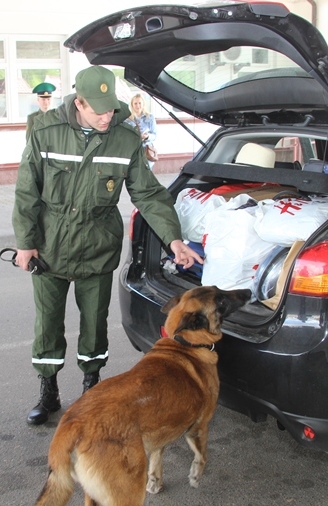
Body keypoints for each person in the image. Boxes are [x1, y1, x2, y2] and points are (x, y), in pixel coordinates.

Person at [12, 65, 203, 425]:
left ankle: (91, 388)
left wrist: (173, 238)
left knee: (95, 324)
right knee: (48, 323)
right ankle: (48, 391)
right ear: (79, 103)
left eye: (110, 109)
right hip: (49, 247)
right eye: (98, 110)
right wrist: (25, 243)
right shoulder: (45, 131)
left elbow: (147, 194)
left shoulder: (125, 138)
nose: (106, 117)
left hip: (97, 247)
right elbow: (27, 191)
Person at [125, 93, 158, 169]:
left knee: (147, 174)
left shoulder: (150, 117)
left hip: (146, 151)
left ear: (143, 104)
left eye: (140, 103)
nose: (138, 105)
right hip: (133, 151)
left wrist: (147, 136)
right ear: (132, 105)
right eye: (135, 103)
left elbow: (154, 135)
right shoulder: (127, 119)